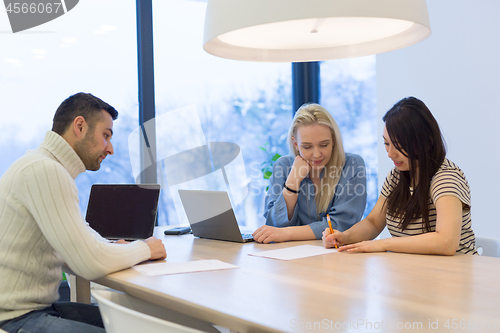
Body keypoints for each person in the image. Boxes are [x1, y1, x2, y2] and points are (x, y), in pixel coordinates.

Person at [0, 93, 167, 333]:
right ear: (80, 126)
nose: (110, 149)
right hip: (16, 319)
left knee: (137, 324)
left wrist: (117, 248)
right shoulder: (45, 171)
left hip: (33, 310)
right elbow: (89, 262)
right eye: (106, 136)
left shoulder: (41, 165)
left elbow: (76, 243)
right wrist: (146, 248)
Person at [323, 97, 477, 255]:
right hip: (413, 272)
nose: (390, 154)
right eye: (386, 143)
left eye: (398, 145)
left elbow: (446, 242)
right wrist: (344, 236)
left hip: (454, 274)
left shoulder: (446, 177)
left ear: (426, 142)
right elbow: (374, 222)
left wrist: (384, 244)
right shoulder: (396, 176)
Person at [253, 103, 367, 243]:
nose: (316, 154)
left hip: (339, 256)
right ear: (295, 144)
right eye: (307, 146)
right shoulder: (283, 166)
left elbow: (342, 224)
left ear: (333, 141)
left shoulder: (352, 164)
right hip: (292, 256)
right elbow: (273, 224)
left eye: (324, 145)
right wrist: (292, 182)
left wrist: (287, 234)